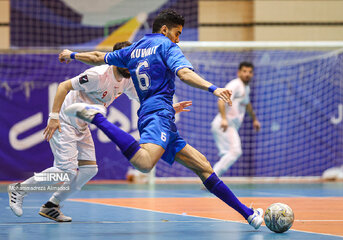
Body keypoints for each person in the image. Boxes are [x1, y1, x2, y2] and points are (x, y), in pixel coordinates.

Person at [59, 9, 263, 229]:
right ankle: (97, 118)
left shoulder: (133, 48)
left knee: (204, 166)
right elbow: (184, 73)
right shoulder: (167, 46)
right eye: (177, 33)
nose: (178, 39)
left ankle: (249, 215)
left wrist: (72, 54)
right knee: (145, 164)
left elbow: (99, 57)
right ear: (164, 29)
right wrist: (213, 88)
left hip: (154, 114)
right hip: (159, 115)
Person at [8, 41, 192, 222]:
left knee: (89, 170)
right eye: (125, 60)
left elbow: (143, 98)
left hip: (82, 124)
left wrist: (169, 107)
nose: (129, 65)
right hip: (65, 121)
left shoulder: (128, 79)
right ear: (116, 60)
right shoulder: (97, 75)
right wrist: (53, 116)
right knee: (67, 172)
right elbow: (63, 86)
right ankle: (19, 189)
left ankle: (51, 206)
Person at [211, 62, 260, 177]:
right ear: (239, 73)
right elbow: (221, 100)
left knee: (230, 153)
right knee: (235, 151)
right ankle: (211, 178)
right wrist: (224, 119)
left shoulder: (245, 88)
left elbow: (247, 105)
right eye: (244, 71)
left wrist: (254, 119)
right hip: (224, 124)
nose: (247, 74)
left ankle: (211, 177)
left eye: (250, 72)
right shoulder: (235, 85)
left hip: (228, 125)